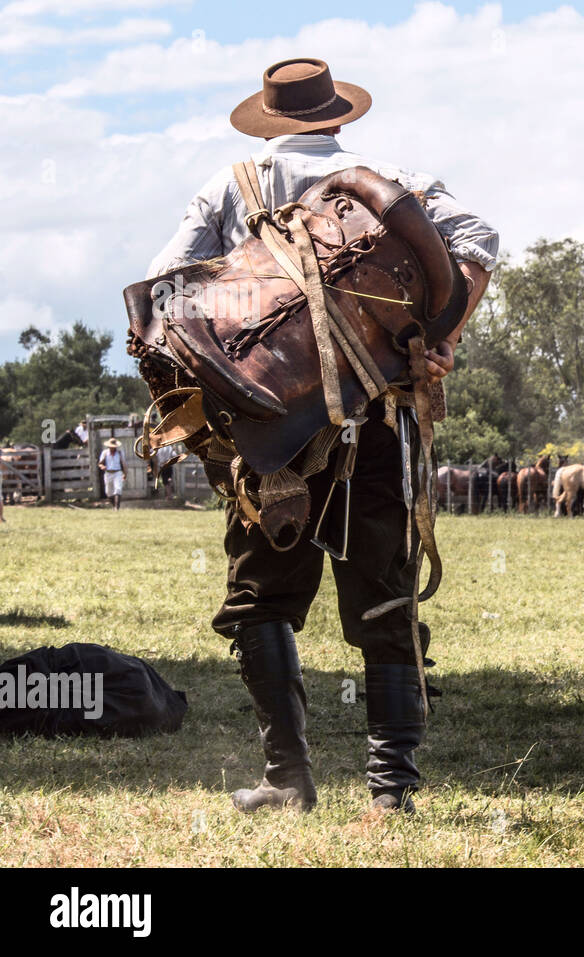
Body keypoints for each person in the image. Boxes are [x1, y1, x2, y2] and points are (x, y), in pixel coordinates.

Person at [147, 58, 498, 814]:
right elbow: (480, 236)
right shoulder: (392, 176)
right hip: (378, 418)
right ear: (339, 116)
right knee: (385, 596)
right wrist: (443, 338)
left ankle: (287, 777)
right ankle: (391, 791)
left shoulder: (232, 184)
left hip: (273, 435)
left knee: (261, 601)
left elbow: (165, 284)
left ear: (271, 122)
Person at [98, 438, 125, 510]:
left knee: (118, 489)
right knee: (108, 492)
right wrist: (102, 467)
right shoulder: (105, 453)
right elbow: (100, 463)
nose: (113, 448)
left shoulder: (119, 453)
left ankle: (117, 508)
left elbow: (123, 463)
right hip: (108, 473)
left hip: (117, 472)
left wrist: (125, 473)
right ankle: (114, 505)